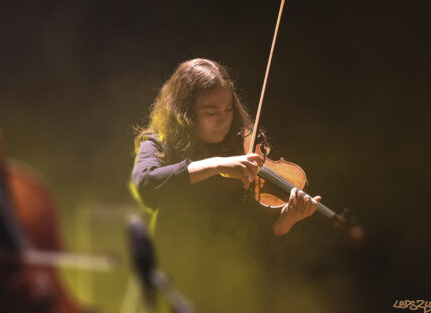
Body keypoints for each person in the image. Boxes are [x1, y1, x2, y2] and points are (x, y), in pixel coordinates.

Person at [130, 58, 321, 312]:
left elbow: (252, 249)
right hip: (181, 286)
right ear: (185, 113)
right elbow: (145, 184)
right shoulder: (158, 144)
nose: (224, 120)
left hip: (235, 291)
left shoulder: (241, 148)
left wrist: (284, 221)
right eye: (211, 113)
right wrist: (216, 164)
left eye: (229, 110)